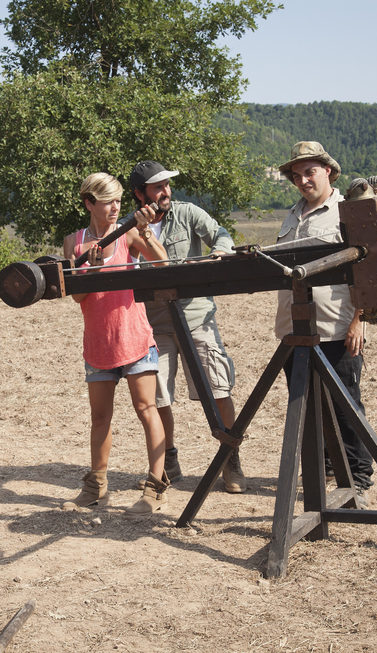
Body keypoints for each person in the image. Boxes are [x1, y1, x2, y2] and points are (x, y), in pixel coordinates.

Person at [128, 161, 245, 493]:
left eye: (166, 185)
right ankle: (168, 460)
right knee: (158, 396)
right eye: (156, 187)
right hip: (156, 325)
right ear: (139, 194)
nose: (165, 191)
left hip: (196, 319)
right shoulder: (131, 228)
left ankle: (230, 458)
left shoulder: (188, 213)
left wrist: (221, 251)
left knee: (218, 389)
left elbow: (221, 234)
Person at [62, 172, 171, 513]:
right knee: (100, 417)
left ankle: (155, 487)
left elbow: (163, 263)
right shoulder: (74, 243)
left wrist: (145, 231)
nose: (115, 208)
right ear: (88, 203)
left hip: (135, 337)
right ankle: (96, 486)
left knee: (146, 408)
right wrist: (90, 271)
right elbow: (78, 298)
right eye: (107, 201)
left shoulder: (128, 235)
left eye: (119, 201)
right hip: (98, 343)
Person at [275, 141, 374, 505]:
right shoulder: (291, 216)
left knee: (346, 407)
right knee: (308, 406)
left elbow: (367, 268)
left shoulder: (347, 213)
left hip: (336, 325)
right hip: (295, 329)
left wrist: (359, 319)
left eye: (310, 171)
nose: (303, 180)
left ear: (328, 172)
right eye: (297, 175)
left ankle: (359, 480)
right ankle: (327, 472)